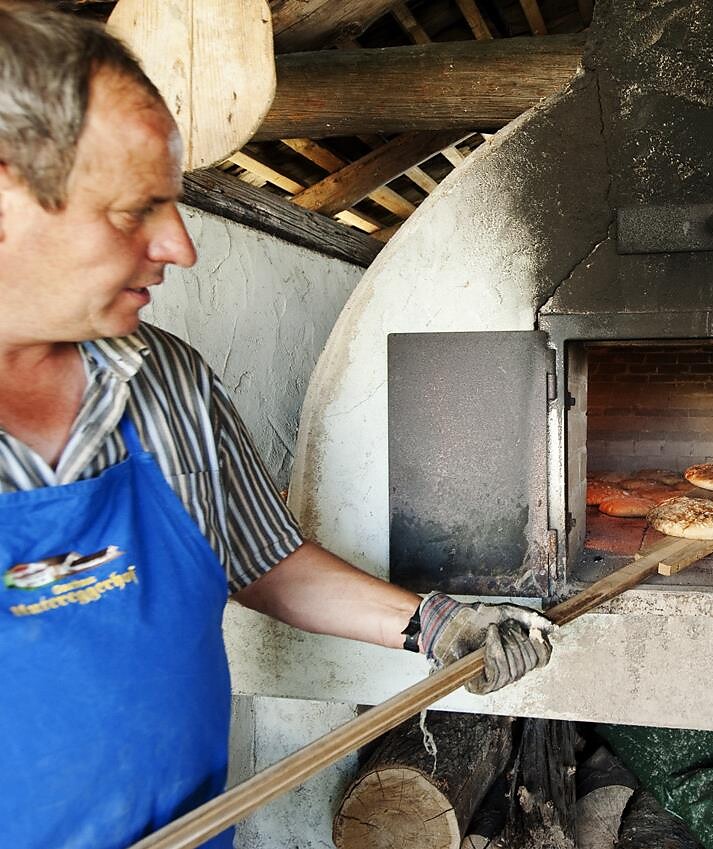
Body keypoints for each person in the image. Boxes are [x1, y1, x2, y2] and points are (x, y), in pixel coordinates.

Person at [0, 5, 553, 848]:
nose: (180, 245)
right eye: (135, 209)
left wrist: (438, 624)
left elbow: (265, 561)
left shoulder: (168, 382)